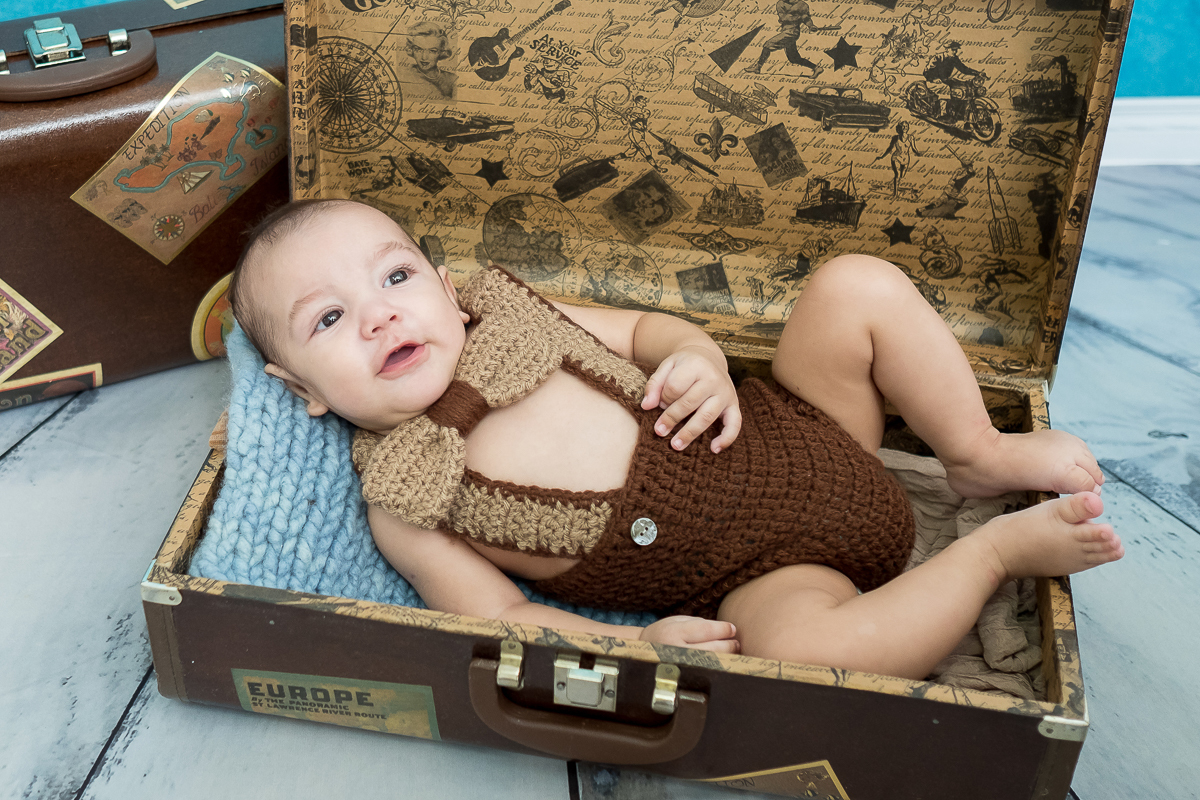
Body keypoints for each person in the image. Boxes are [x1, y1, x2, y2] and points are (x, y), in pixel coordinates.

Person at [228, 199, 1122, 681]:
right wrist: (633, 647)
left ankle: (973, 453)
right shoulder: (406, 504)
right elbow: (502, 618)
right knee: (797, 663)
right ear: (298, 389)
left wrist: (701, 356)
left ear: (444, 281)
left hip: (814, 426)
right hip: (770, 574)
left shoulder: (508, 311)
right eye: (332, 318)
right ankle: (991, 556)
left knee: (856, 287)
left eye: (395, 274)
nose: (381, 312)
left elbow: (648, 330)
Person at [746, 0, 839, 77]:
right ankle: (816, 68)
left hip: (792, 32)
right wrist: (800, 17)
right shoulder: (780, 4)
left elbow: (806, 18)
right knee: (794, 58)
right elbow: (784, 18)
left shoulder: (803, 5)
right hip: (786, 31)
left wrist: (811, 26)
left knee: (767, 45)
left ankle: (758, 67)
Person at [399, 20, 456, 100]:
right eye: (418, 49)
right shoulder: (403, 76)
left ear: (441, 51)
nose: (424, 57)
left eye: (432, 51)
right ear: (411, 49)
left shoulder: (452, 79)